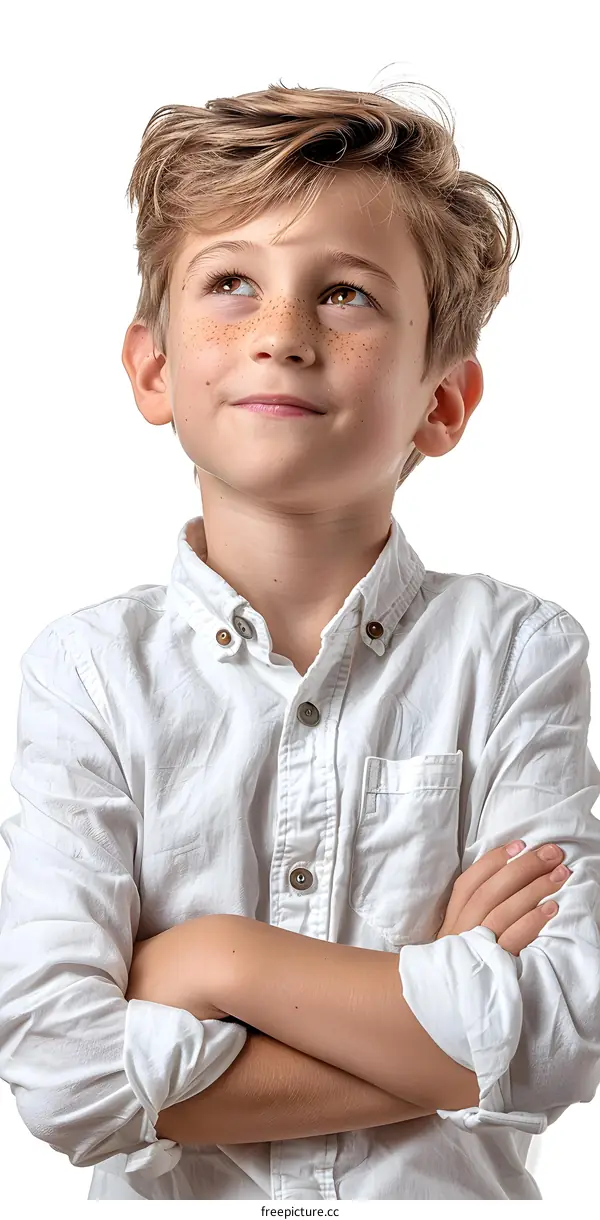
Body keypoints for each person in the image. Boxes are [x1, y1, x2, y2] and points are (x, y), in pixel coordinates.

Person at [1, 79, 599, 1202]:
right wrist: (436, 1022)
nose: (281, 334)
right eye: (231, 282)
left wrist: (215, 960)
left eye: (346, 295)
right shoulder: (85, 672)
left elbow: (559, 1033)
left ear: (444, 402)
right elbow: (63, 1074)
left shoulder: (516, 652)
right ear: (153, 369)